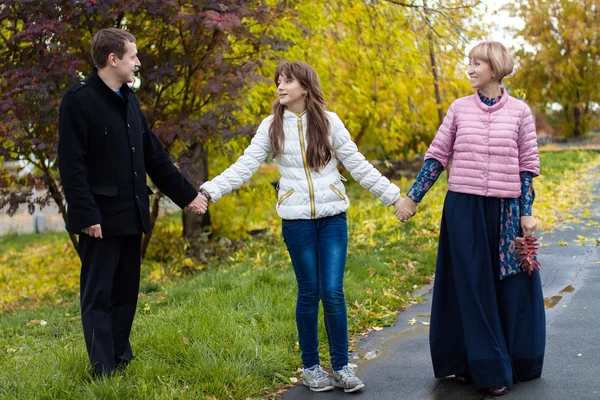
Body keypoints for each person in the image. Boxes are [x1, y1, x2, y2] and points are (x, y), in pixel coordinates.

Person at [198, 61, 404, 393]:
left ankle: (341, 367)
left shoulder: (328, 121)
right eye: (278, 81)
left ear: (305, 87)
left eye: (288, 81)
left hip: (332, 218)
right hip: (297, 222)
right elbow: (245, 165)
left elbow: (357, 163)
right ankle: (311, 367)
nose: (280, 86)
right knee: (309, 292)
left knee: (333, 292)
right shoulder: (271, 126)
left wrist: (394, 197)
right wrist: (210, 190)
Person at [396, 41, 545, 397]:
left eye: (477, 63)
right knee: (470, 285)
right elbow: (437, 156)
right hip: (463, 208)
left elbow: (527, 168)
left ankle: (508, 360)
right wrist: (412, 198)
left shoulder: (521, 112)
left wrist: (526, 211)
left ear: (495, 68)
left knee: (508, 285)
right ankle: (482, 367)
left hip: (505, 211)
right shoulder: (459, 109)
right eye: (470, 63)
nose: (470, 69)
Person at [58, 28, 207, 377]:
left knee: (126, 293)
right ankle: (103, 370)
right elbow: (71, 164)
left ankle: (120, 358)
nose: (138, 62)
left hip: (132, 214)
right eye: (133, 56)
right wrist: (86, 215)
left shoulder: (129, 99)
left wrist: (188, 196)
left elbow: (153, 156)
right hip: (99, 221)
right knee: (98, 296)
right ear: (113, 59)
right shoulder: (77, 101)